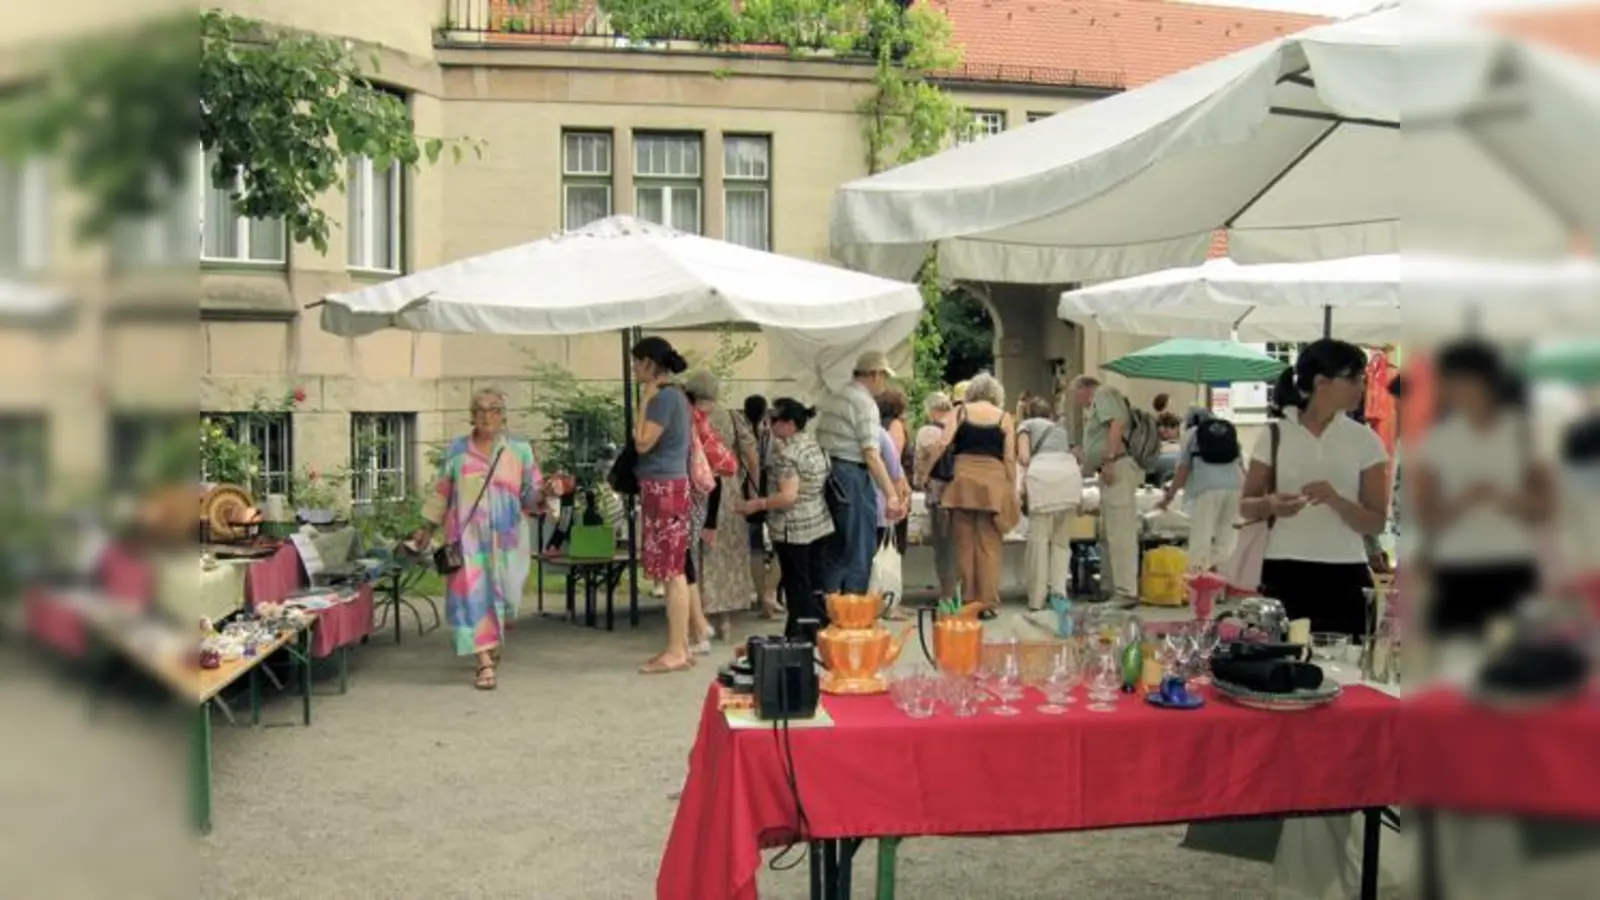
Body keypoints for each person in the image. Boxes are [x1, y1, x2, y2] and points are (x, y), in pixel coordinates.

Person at [1241, 339, 1390, 637]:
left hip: (1346, 569)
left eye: (1362, 379)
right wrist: (1271, 504)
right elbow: (1245, 505)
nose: (1362, 387)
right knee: (1281, 656)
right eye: (1353, 379)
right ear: (1322, 382)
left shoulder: (1365, 440)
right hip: (1283, 567)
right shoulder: (1274, 434)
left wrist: (1337, 501)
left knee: (1348, 659)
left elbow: (1376, 521)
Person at [1412, 340, 1550, 639]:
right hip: (1455, 565)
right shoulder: (1437, 440)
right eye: (1450, 383)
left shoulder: (1520, 432)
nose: (1457, 391)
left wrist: (1504, 498)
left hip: (1512, 561)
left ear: (1488, 383)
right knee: (1456, 653)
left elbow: (1545, 507)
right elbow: (1426, 517)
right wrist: (1464, 501)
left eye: (1465, 382)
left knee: (1518, 653)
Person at [412, 387, 542, 691]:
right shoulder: (458, 449)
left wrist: (546, 493)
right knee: (471, 598)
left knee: (507, 596)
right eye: (480, 410)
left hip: (507, 539)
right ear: (472, 416)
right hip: (466, 538)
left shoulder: (519, 449)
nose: (486, 416)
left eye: (493, 409)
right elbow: (443, 491)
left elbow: (530, 493)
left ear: (503, 415)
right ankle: (484, 662)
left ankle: (491, 643)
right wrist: (427, 528)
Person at [736, 398, 834, 637]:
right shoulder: (816, 446)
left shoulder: (788, 455)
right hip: (820, 520)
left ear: (789, 424)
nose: (769, 425)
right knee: (817, 583)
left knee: (796, 585)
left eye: (774, 420)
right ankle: (820, 629)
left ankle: (799, 634)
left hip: (794, 528)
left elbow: (788, 496)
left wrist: (757, 504)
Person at [629, 336, 697, 674]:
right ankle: (679, 646)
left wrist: (644, 400)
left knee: (671, 571)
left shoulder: (662, 398)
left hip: (663, 487)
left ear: (649, 363)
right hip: (672, 485)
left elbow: (642, 442)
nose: (634, 368)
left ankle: (676, 650)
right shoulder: (678, 396)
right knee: (674, 569)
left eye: (636, 362)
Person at [814, 350, 904, 593]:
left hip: (829, 473)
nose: (884, 383)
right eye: (884, 377)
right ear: (875, 375)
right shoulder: (864, 404)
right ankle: (854, 607)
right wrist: (891, 495)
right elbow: (871, 454)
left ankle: (828, 605)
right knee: (859, 549)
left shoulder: (836, 397)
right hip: (852, 474)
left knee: (835, 549)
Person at [937, 373, 1021, 616]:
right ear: (996, 394)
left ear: (972, 392)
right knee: (990, 545)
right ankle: (988, 602)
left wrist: (925, 473)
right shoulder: (1004, 418)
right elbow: (1009, 458)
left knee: (964, 545)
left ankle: (968, 601)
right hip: (992, 485)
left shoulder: (960, 412)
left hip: (962, 483)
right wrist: (1011, 488)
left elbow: (942, 443)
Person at [685, 369, 753, 646]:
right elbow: (750, 453)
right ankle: (726, 621)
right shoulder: (732, 417)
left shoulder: (688, 416)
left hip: (697, 485)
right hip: (729, 489)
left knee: (695, 553)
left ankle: (698, 621)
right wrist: (751, 487)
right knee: (727, 554)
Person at [1069, 374, 1143, 604]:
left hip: (1116, 466)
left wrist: (1109, 459)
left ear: (1086, 388)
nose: (1077, 401)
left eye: (1076, 394)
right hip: (1107, 470)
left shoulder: (1104, 394)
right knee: (1109, 533)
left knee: (1121, 532)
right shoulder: (1098, 403)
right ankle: (1111, 587)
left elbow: (1116, 424)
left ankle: (1126, 591)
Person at [1017, 396, 1083, 610]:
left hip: (1043, 480)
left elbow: (1024, 457)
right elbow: (1076, 454)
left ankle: (1037, 598)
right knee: (1061, 542)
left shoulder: (1026, 425)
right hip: (1069, 477)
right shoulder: (1060, 429)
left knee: (1039, 540)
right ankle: (1059, 594)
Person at [1159, 407, 1244, 572]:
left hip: (1207, 490)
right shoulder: (1227, 433)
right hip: (1236, 489)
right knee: (1225, 543)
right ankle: (1217, 580)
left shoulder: (1192, 434)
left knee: (1200, 541)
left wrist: (1168, 498)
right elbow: (1242, 467)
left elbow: (1183, 471)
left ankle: (1197, 578)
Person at [735, 394, 784, 620]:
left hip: (747, 489)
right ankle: (771, 592)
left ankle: (762, 595)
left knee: (755, 547)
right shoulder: (772, 435)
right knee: (780, 545)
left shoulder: (742, 433)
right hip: (772, 489)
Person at [913, 391, 959, 606]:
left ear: (931, 410)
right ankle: (959, 592)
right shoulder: (960, 428)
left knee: (944, 546)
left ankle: (947, 595)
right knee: (958, 545)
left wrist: (924, 475)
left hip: (939, 495)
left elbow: (934, 452)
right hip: (960, 493)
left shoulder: (928, 431)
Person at [878, 387, 914, 556]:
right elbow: (894, 461)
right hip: (893, 486)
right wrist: (902, 493)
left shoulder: (876, 425)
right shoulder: (895, 425)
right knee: (894, 543)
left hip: (878, 487)